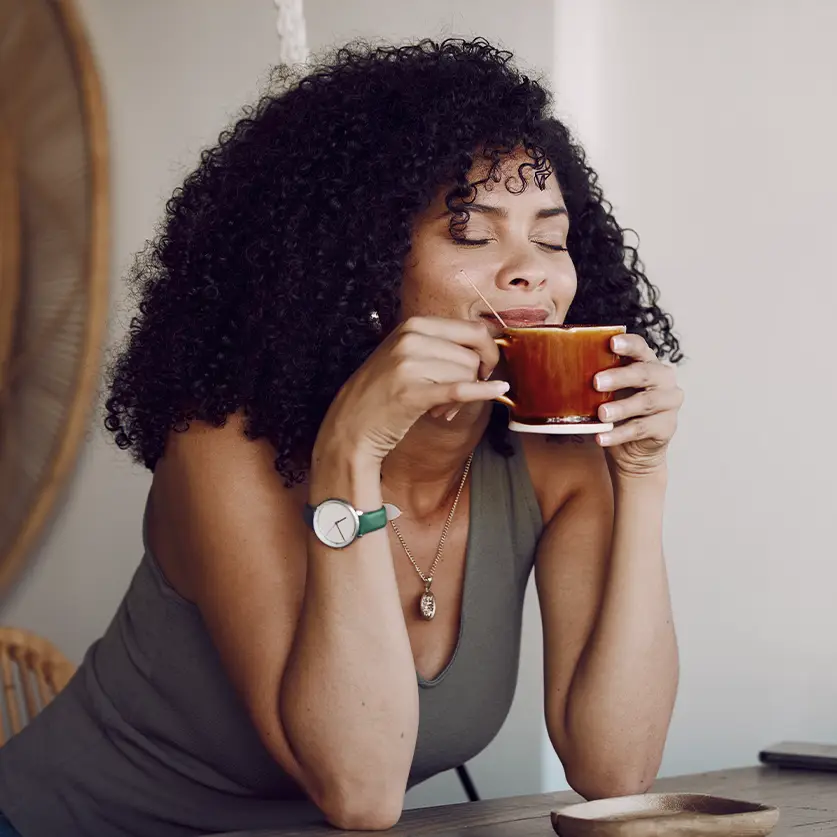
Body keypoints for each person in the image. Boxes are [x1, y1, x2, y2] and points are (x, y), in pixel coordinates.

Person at [0, 38, 684, 837]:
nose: (529, 268)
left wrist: (641, 477)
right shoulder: (222, 447)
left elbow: (615, 769)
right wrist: (350, 453)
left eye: (551, 237)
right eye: (471, 233)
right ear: (360, 263)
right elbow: (358, 792)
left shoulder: (554, 461)